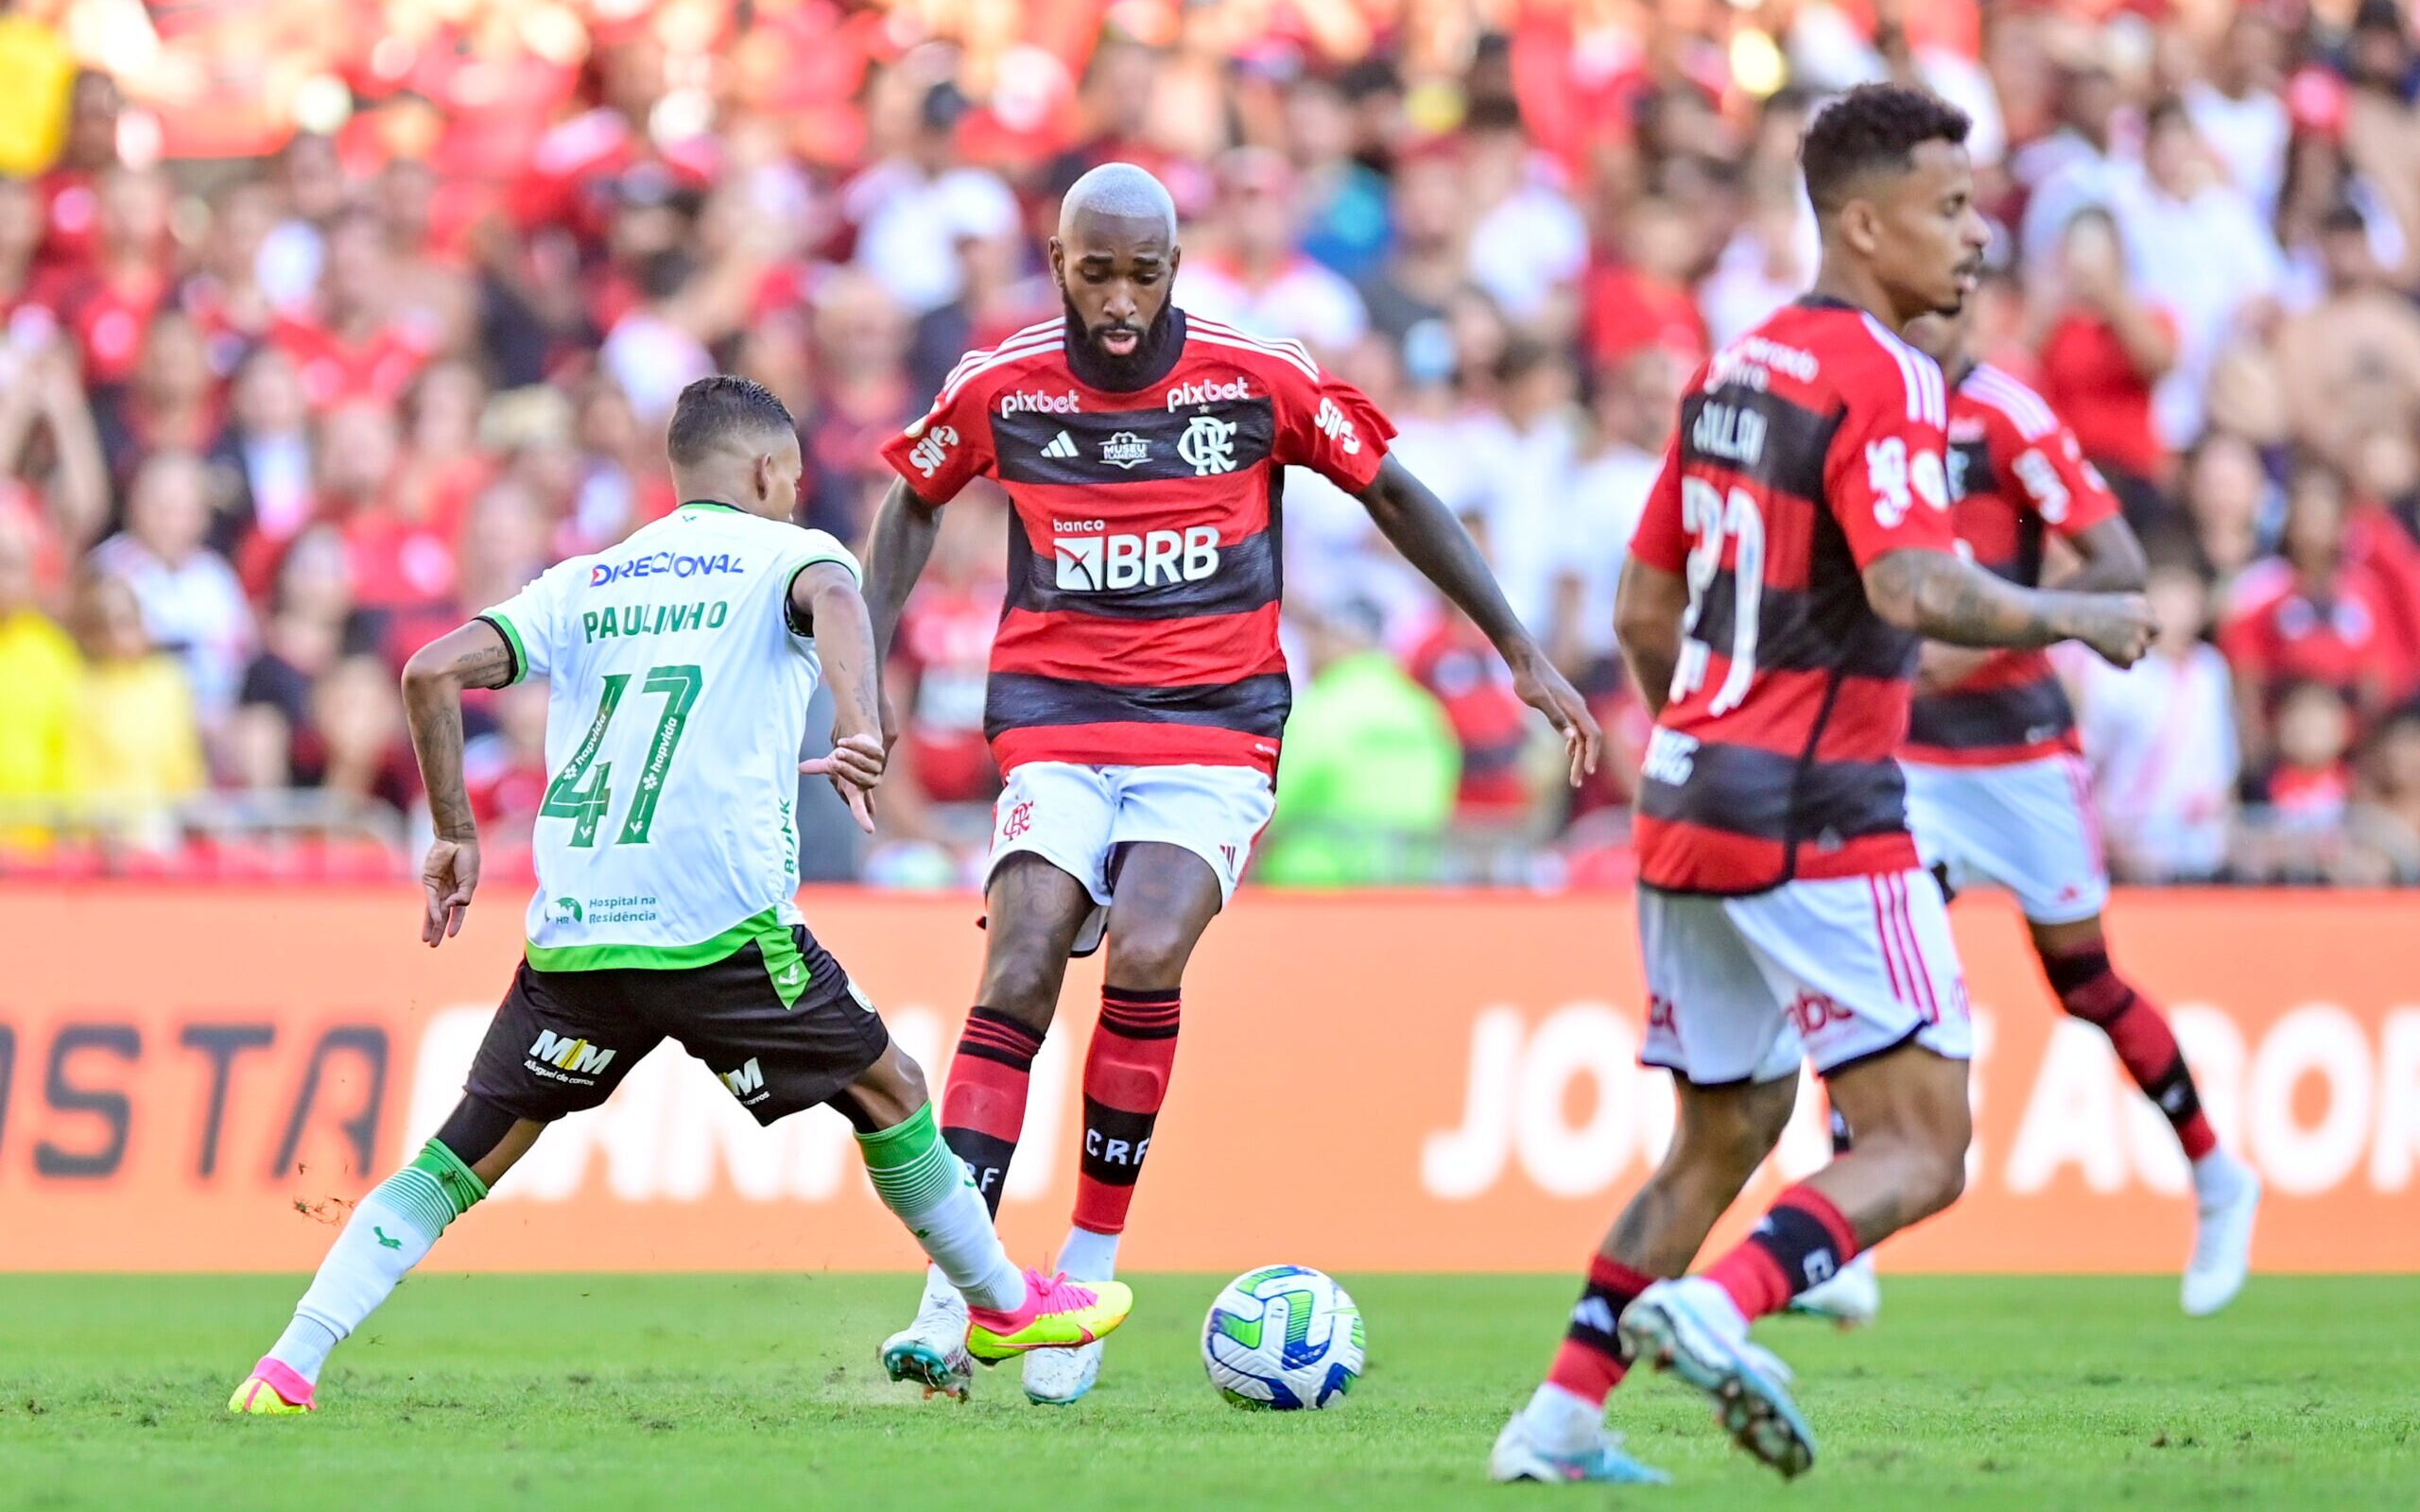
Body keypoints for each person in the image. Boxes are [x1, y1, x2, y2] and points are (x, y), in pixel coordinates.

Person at [227, 376, 1131, 1417]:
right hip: (719, 927)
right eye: (789, 479)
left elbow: (429, 671)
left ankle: (288, 1364)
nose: (794, 497)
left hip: (579, 938)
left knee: (456, 1160)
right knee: (893, 1090)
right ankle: (1004, 1303)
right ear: (763, 472)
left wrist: (457, 835)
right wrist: (859, 717)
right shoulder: (796, 554)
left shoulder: (586, 579)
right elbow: (839, 600)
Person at [1488, 85, 2154, 1486]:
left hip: (1685, 799)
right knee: (1926, 1146)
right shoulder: (1891, 379)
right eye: (1952, 208)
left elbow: (1640, 610)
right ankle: (1717, 1307)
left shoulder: (1732, 367)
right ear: (1864, 222)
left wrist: (1708, 740)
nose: (1978, 237)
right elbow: (1914, 582)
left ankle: (1554, 1423)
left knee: (1723, 1135)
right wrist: (2073, 614)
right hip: (1820, 810)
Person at [864, 162, 1599, 1406]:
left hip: (1212, 723)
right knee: (1024, 953)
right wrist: (863, 677)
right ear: (1059, 263)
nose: (1117, 299)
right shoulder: (1001, 385)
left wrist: (1520, 650)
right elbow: (911, 501)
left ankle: (1087, 1273)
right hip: (1054, 712)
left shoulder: (1258, 379)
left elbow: (1397, 495)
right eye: (1095, 270)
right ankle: (964, 1296)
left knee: (1147, 947)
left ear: (1174, 273)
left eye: (1142, 274)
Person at [1787, 301, 2260, 1330]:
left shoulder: (2005, 415)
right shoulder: (1857, 409)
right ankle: (1845, 1240)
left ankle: (2219, 1174)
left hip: (2018, 754)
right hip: (1902, 748)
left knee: (2082, 980)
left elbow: (2116, 566)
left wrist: (1981, 640)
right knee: (1872, 963)